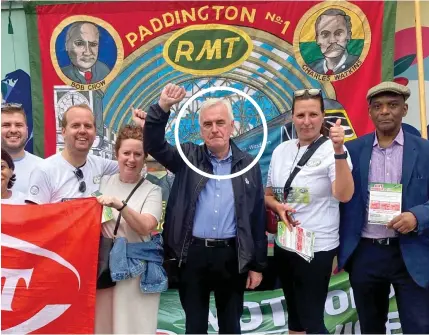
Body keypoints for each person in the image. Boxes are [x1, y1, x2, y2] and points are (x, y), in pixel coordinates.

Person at [134, 83, 267, 334]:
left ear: (232, 126)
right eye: (207, 124)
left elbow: (256, 215)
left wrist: (257, 265)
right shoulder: (187, 156)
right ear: (200, 129)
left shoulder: (248, 164)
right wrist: (162, 108)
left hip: (231, 256)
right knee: (194, 327)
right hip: (192, 255)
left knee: (231, 326)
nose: (214, 129)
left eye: (220, 122)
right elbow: (153, 144)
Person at [339, 81, 429, 334]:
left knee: (419, 327)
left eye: (392, 105)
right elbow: (339, 197)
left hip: (410, 253)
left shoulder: (424, 150)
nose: (385, 111)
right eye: (378, 106)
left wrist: (416, 216)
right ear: (370, 112)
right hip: (366, 253)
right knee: (370, 327)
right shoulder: (352, 151)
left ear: (404, 109)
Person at [264, 88, 354, 334]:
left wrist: (339, 151)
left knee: (313, 321)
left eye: (313, 114)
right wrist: (278, 207)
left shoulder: (332, 150)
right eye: (300, 115)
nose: (306, 121)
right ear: (292, 117)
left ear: (323, 116)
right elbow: (268, 195)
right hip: (285, 244)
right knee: (295, 319)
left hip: (317, 248)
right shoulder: (281, 151)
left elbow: (344, 195)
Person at [95, 124, 163, 334]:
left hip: (137, 271)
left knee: (135, 327)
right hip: (105, 268)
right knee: (104, 326)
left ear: (145, 157)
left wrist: (120, 205)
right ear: (117, 154)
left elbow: (146, 226)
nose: (131, 159)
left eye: (137, 154)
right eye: (126, 153)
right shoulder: (102, 182)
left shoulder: (153, 190)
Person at [26, 103, 118, 204]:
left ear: (95, 132)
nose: (82, 131)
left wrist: (139, 125)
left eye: (88, 126)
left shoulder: (99, 165)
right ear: (64, 132)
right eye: (75, 125)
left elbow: (133, 166)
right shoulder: (44, 171)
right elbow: (33, 215)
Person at [1, 103, 43, 193]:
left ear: (27, 131)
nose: (13, 130)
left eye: (18, 125)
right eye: (6, 125)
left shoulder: (44, 168)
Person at [309, 8, 359, 75]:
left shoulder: (361, 64)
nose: (332, 40)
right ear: (317, 39)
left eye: (338, 33)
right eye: (325, 34)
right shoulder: (311, 68)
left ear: (349, 36)